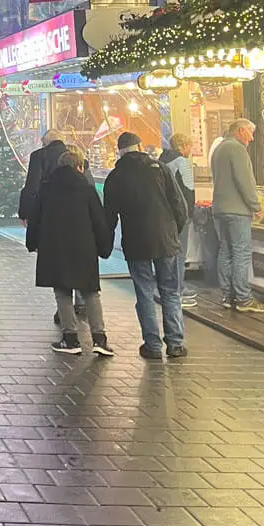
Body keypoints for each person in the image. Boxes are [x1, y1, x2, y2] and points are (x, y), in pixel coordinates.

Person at [104, 131, 189, 360]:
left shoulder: (115, 177)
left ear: (120, 152)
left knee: (144, 292)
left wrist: (103, 244)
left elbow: (109, 217)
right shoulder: (160, 169)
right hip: (165, 239)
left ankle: (152, 345)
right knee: (170, 291)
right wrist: (174, 232)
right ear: (140, 147)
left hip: (135, 241)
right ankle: (175, 344)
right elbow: (179, 205)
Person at [26, 147, 115, 355]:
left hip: (54, 247)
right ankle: (100, 339)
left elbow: (35, 218)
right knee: (91, 292)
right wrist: (104, 247)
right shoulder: (87, 190)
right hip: (84, 247)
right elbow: (99, 221)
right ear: (79, 167)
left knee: (62, 292)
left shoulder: (47, 188)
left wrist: (32, 243)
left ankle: (70, 339)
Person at [210, 119, 264, 312]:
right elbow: (245, 180)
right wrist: (256, 205)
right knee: (241, 253)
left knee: (225, 252)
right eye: (250, 133)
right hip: (237, 210)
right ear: (241, 131)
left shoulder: (219, 149)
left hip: (219, 209)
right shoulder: (237, 149)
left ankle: (228, 296)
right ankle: (243, 299)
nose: (251, 139)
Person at [159, 133, 198, 308]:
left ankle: (169, 286)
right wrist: (191, 212)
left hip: (166, 214)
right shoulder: (182, 162)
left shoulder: (162, 160)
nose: (191, 150)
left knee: (170, 252)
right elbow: (189, 190)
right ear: (183, 146)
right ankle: (179, 288)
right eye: (190, 146)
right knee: (180, 252)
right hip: (181, 213)